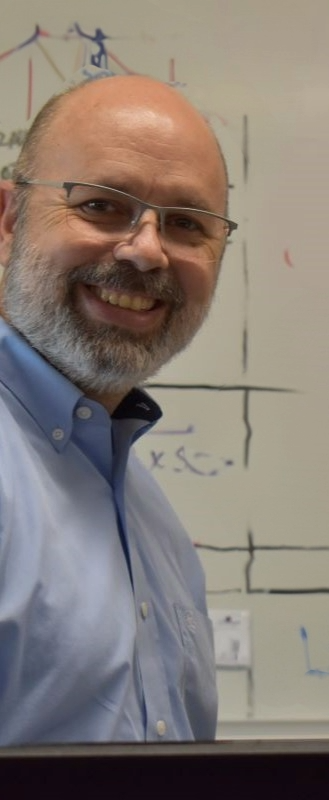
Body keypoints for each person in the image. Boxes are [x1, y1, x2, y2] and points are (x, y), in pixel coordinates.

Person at [0, 72, 237, 744]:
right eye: (102, 206)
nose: (146, 249)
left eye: (189, 224)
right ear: (8, 222)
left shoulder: (150, 523)